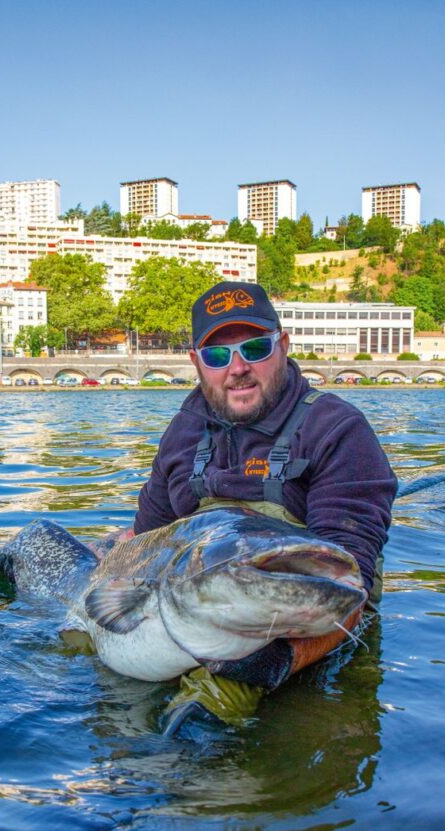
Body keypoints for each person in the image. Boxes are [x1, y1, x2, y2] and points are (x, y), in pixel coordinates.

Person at [128, 281, 398, 733]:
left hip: (304, 636)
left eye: (255, 348)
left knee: (205, 741)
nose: (237, 368)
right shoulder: (181, 433)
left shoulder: (339, 429)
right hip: (186, 619)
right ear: (196, 363)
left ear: (284, 345)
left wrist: (272, 664)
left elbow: (349, 585)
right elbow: (142, 545)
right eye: (217, 356)